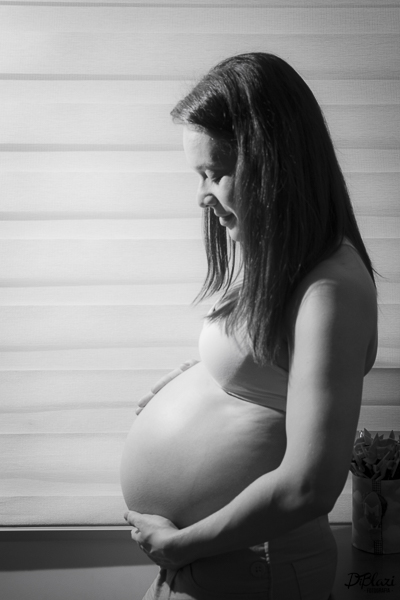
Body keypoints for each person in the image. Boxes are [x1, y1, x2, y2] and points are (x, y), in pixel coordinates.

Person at [122, 52, 378, 600]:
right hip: (216, 565)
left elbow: (309, 486)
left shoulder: (330, 288)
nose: (201, 196)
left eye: (214, 173)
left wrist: (179, 545)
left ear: (273, 165)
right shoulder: (287, 260)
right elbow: (276, 372)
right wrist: (205, 378)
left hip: (254, 569)